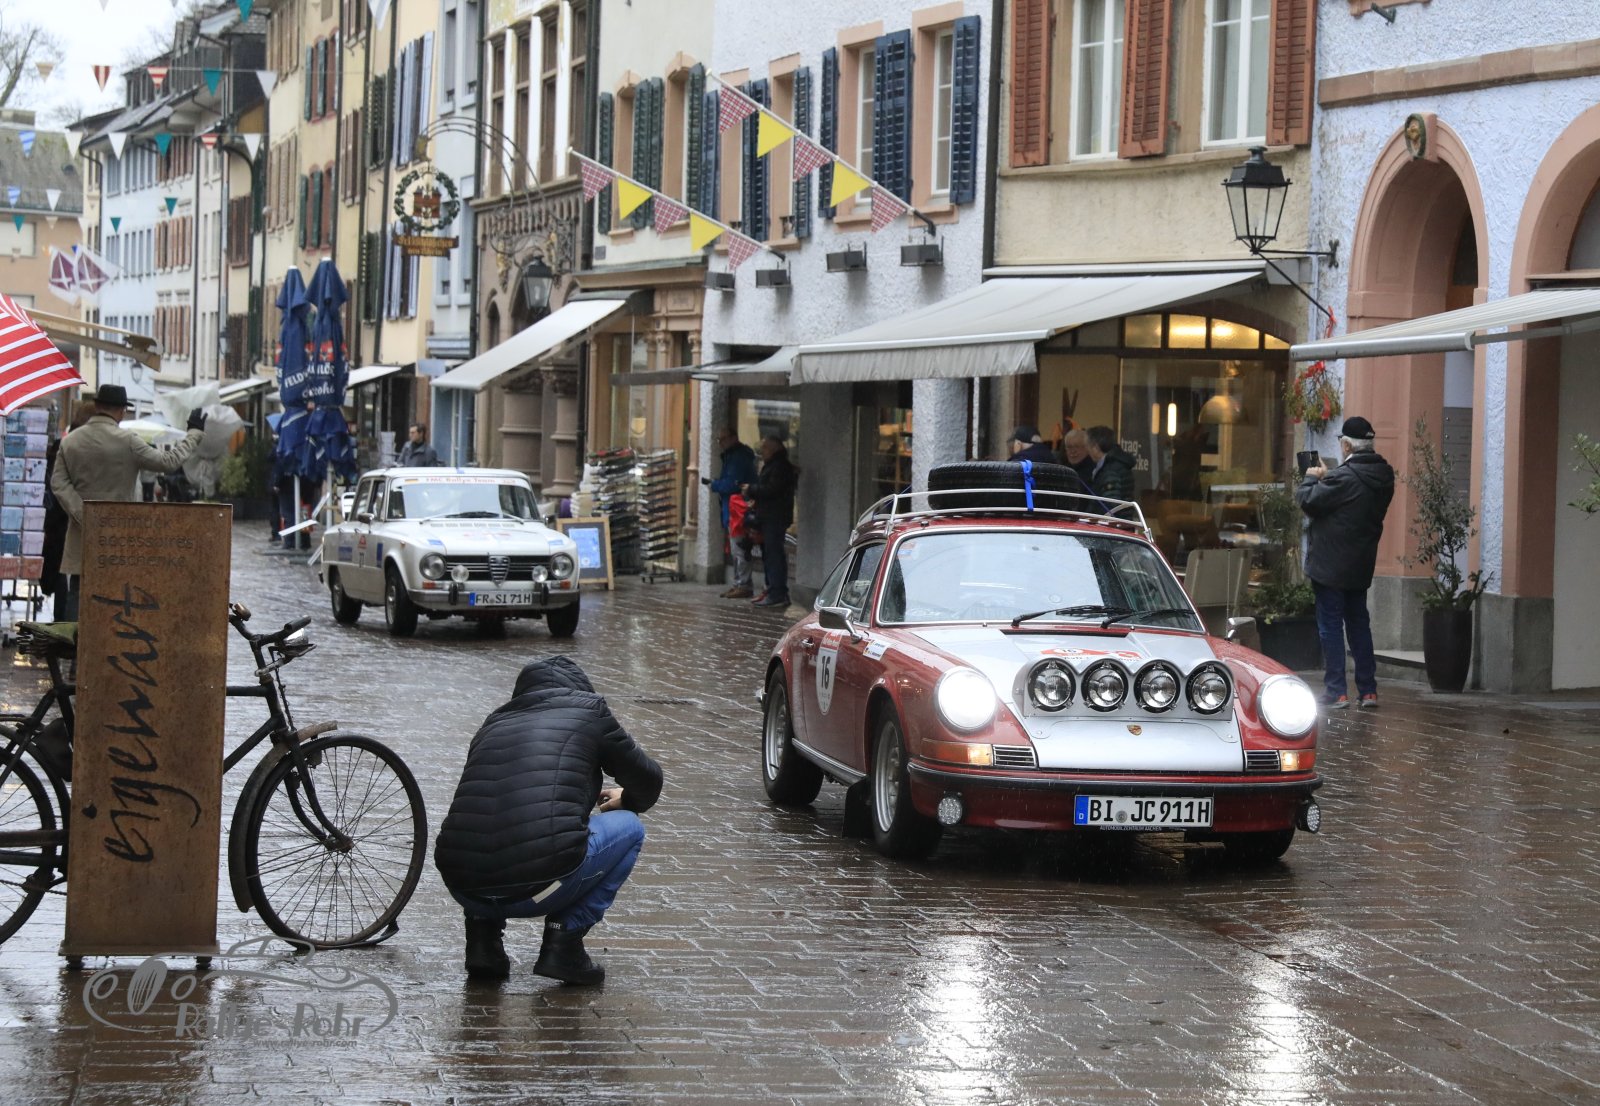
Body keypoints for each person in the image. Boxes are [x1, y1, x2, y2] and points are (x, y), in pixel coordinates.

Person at [433, 656, 664, 986]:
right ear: (579, 689)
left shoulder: (493, 723)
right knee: (630, 827)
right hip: (539, 888)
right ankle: (563, 943)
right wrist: (626, 800)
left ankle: (482, 943)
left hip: (464, 889)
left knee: (487, 823)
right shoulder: (590, 711)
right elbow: (648, 782)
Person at [49, 384, 205, 620]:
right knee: (116, 594)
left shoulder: (70, 441)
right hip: (121, 535)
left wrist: (83, 512)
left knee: (79, 591)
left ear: (96, 406)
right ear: (122, 411)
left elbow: (58, 483)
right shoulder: (128, 441)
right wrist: (193, 434)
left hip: (83, 533)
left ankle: (73, 642)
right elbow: (168, 461)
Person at [1295, 416, 1395, 710]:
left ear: (1348, 446)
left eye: (1341, 442)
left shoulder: (1344, 478)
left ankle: (1337, 691)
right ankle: (1368, 690)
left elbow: (1307, 500)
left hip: (1330, 564)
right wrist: (1330, 478)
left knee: (1330, 627)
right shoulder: (1384, 475)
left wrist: (1311, 477)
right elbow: (1350, 501)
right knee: (1359, 625)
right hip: (1360, 563)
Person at [740, 434, 798, 609]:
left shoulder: (779, 466)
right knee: (769, 554)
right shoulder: (773, 464)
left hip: (774, 517)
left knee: (774, 555)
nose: (762, 451)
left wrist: (752, 489)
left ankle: (777, 593)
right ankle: (772, 589)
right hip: (769, 516)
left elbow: (773, 489)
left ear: (774, 448)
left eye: (765, 447)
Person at [702, 426, 758, 599]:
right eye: (719, 439)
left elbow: (733, 484)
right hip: (733, 509)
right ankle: (739, 583)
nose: (720, 443)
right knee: (736, 548)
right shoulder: (733, 455)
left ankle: (743, 584)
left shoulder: (738, 457)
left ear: (733, 438)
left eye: (723, 439)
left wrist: (715, 485)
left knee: (740, 547)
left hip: (738, 510)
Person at [1087, 425, 1136, 504]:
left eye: (1088, 446)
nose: (1087, 451)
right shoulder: (1117, 463)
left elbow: (1110, 503)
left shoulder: (1110, 469)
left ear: (1095, 448)